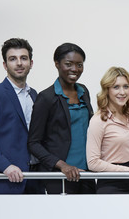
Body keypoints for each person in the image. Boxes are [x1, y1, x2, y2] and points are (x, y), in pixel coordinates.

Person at [28, 43, 96, 194]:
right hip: (59, 175)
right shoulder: (46, 98)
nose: (75, 69)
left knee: (91, 216)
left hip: (86, 173)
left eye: (79, 64)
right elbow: (33, 143)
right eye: (68, 64)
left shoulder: (83, 91)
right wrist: (62, 166)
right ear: (57, 64)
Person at [0, 38, 43, 194]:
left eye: (23, 58)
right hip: (3, 182)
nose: (19, 63)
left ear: (31, 63)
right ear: (5, 65)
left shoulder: (34, 95)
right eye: (12, 59)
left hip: (34, 179)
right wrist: (5, 166)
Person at [86, 67, 129, 194]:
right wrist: (127, 172)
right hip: (111, 184)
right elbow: (92, 162)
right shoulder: (98, 120)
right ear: (107, 90)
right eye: (116, 87)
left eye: (126, 87)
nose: (122, 92)